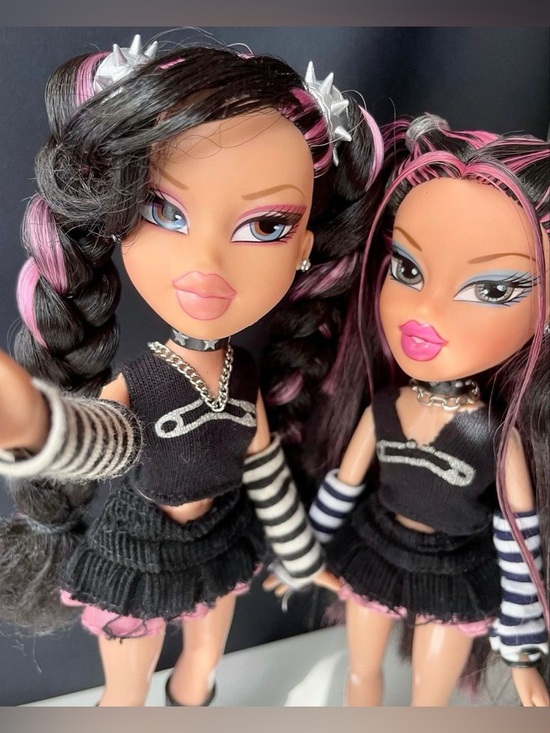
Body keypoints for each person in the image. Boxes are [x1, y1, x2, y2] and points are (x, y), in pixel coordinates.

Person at [0, 35, 384, 706]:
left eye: (265, 226)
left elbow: (264, 466)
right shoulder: (147, 379)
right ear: (119, 216)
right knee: (126, 691)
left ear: (304, 246)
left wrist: (301, 559)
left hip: (219, 538)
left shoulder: (244, 375)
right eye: (164, 211)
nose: (206, 261)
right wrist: (42, 428)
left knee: (202, 666)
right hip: (141, 546)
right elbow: (109, 439)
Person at [267, 113, 549, 706]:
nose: (425, 312)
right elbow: (341, 489)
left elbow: (518, 542)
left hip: (454, 570)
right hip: (377, 549)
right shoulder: (385, 408)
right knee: (361, 676)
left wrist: (521, 651)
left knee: (430, 699)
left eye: (493, 290)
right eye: (407, 269)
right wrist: (300, 557)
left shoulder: (493, 436)